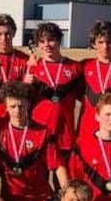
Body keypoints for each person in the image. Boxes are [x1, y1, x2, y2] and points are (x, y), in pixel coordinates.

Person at [0, 81, 68, 201]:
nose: (17, 111)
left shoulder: (43, 132)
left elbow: (58, 166)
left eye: (21, 106)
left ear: (28, 104)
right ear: (6, 107)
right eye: (12, 106)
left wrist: (67, 194)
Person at [27, 22, 83, 159]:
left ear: (59, 40)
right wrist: (25, 85)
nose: (46, 45)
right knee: (40, 179)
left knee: (64, 179)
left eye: (51, 40)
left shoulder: (75, 67)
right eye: (42, 41)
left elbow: (85, 98)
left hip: (65, 135)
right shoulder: (32, 67)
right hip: (39, 132)